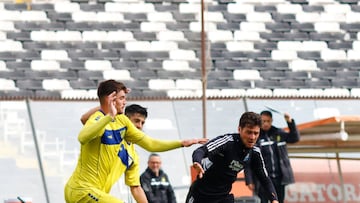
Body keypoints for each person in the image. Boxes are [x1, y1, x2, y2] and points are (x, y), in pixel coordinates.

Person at [64, 79, 207, 203]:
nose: (139, 126)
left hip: (97, 195)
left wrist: (182, 143)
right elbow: (82, 136)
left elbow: (151, 144)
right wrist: (108, 111)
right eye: (121, 98)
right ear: (112, 100)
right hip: (81, 189)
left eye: (142, 123)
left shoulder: (132, 154)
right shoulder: (101, 119)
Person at [186, 111, 279, 203]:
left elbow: (264, 179)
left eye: (256, 133)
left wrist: (274, 199)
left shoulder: (255, 153)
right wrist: (197, 162)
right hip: (200, 195)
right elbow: (200, 151)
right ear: (239, 129)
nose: (252, 137)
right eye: (249, 132)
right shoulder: (227, 142)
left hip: (223, 198)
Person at [245, 110, 300, 203]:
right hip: (262, 179)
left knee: (278, 200)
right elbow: (248, 160)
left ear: (272, 121)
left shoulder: (278, 133)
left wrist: (290, 122)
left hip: (279, 178)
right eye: (263, 121)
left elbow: (294, 138)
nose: (266, 124)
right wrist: (249, 180)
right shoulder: (255, 136)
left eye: (268, 121)